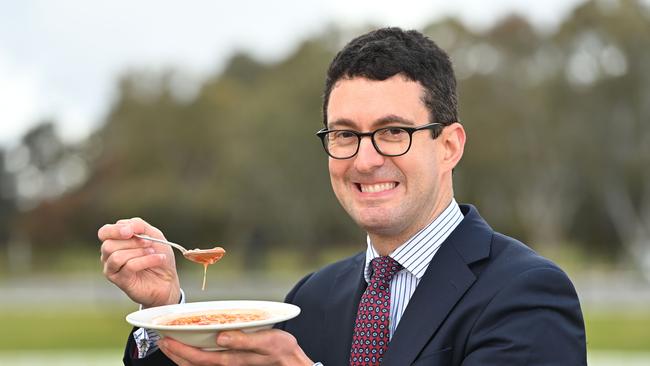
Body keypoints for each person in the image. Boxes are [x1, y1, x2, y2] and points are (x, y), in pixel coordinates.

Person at [99, 27, 587, 365]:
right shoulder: (312, 298)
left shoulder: (527, 294)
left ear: (449, 145)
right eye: (344, 134)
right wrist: (165, 311)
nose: (365, 159)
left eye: (392, 131)